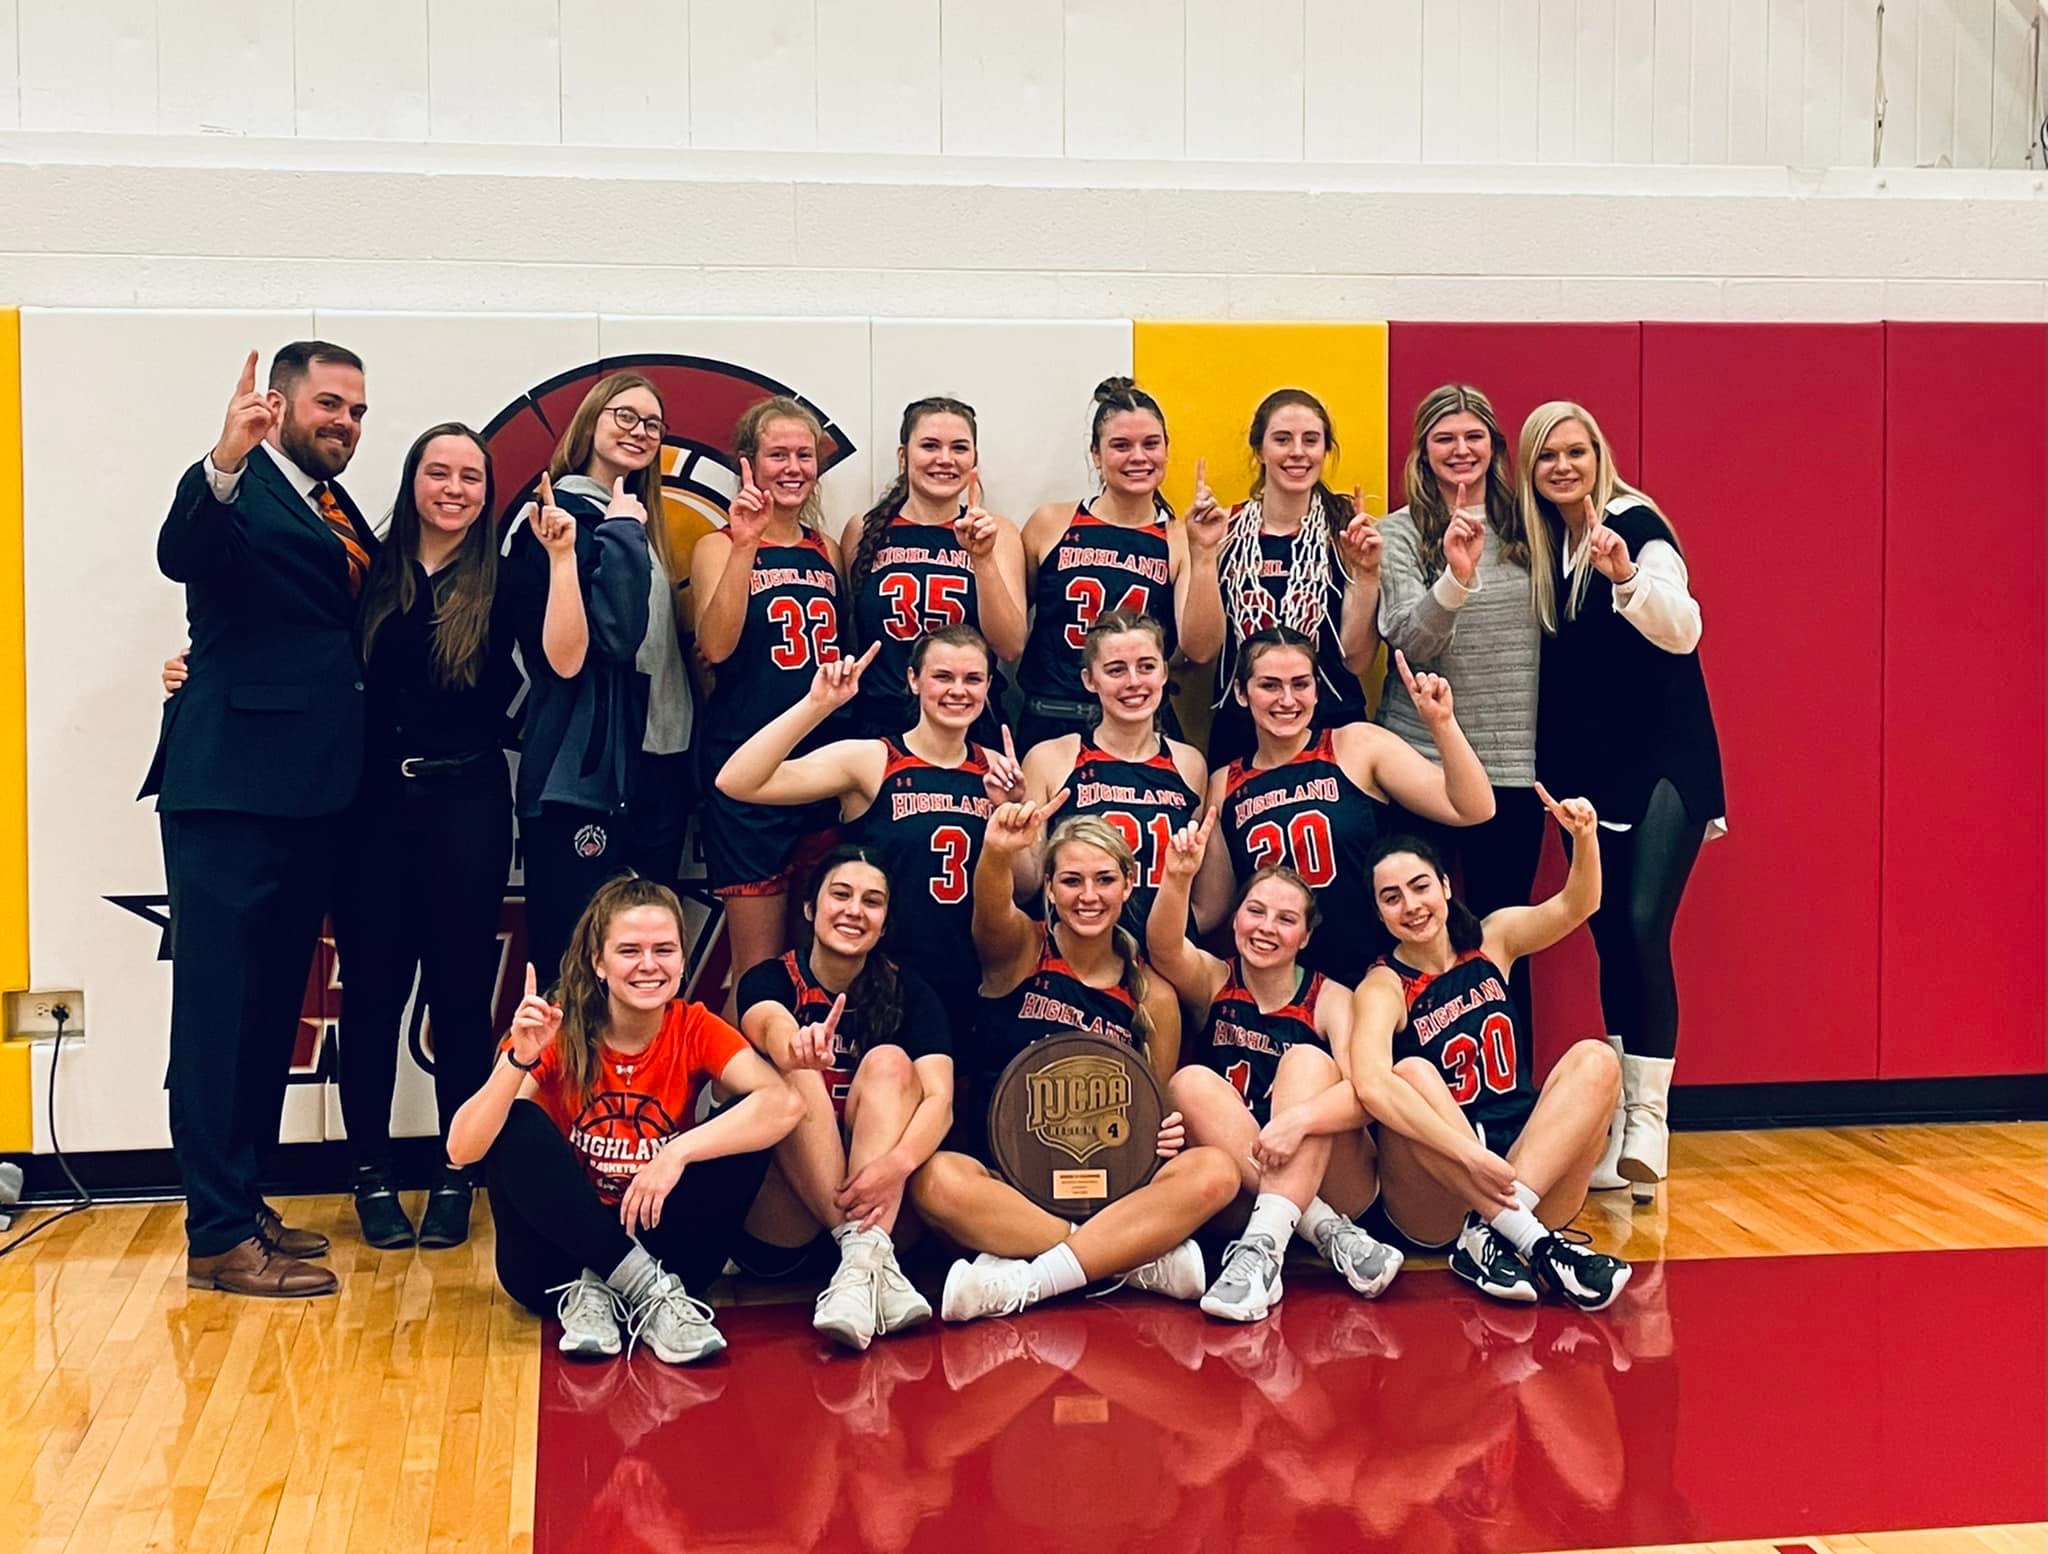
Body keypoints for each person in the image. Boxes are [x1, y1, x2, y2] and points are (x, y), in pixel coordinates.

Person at [144, 343, 376, 1297]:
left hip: (308, 793)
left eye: (359, 411)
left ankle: (242, 1203)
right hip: (232, 788)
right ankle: (216, 1236)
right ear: (277, 404)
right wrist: (225, 461)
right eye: (331, 404)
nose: (347, 423)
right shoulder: (238, 490)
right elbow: (183, 555)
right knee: (216, 1017)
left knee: (267, 1014)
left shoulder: (331, 505)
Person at [337, 426, 561, 1248]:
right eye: (439, 471)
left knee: (462, 1003)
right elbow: (292, 648)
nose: (455, 488)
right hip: (369, 814)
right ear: (413, 480)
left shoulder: (502, 580)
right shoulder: (365, 567)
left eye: (472, 476)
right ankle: (368, 1175)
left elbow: (566, 662)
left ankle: (458, 1175)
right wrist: (195, 665)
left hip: (464, 801)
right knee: (370, 997)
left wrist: (564, 556)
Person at [446, 875, 803, 1364]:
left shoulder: (693, 1026)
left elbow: (785, 1105)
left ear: (682, 961)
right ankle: (634, 1288)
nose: (649, 965)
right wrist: (518, 1062)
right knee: (514, 1120)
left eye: (664, 950)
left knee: (749, 1120)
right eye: (630, 951)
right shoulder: (559, 1024)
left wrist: (679, 1151)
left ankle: (615, 1285)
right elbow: (461, 1150)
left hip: (664, 1246)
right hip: (555, 1266)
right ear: (598, 962)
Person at [910, 799, 1241, 1324]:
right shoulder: (1022, 950)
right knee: (936, 1179)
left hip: (1114, 1192)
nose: (1089, 896)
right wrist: (996, 852)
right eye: (1071, 881)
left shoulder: (1152, 995)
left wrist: (1165, 1136)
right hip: (1010, 1186)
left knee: (1215, 1171)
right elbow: (991, 909)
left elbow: (1149, 1115)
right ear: (1048, 889)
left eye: (1105, 879)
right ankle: (1126, 1260)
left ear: (1129, 885)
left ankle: (1033, 1279)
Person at [1520, 400, 1725, 1203]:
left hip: (1667, 761)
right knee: (1609, 933)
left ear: (1598, 454)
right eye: (1548, 457)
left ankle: (1650, 1120)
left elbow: (1684, 629)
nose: (1564, 466)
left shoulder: (1634, 526)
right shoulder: (1547, 547)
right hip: (1590, 775)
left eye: (1576, 451)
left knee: (1643, 923)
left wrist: (1627, 577)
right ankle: (1614, 1129)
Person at [1347, 800, 1632, 1311]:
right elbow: (1370, 1084)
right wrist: (1469, 1156)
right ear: (1378, 913)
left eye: (1420, 886)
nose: (1411, 905)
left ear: (1445, 886)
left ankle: (1497, 1234)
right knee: (1408, 1072)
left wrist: (1585, 838)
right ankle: (1528, 1240)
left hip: (1525, 1171)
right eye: (1391, 898)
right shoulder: (1383, 986)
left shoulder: (1492, 939)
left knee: (1598, 1058)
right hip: (1442, 1189)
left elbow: (1577, 905)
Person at [1147, 808, 1403, 1321]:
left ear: (1306, 937)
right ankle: (1322, 1235)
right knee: (1190, 1081)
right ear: (1236, 918)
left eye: (1286, 920)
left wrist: (1297, 1121)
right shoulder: (1217, 981)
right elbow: (1165, 947)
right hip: (1246, 1184)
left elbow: (1368, 1096)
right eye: (1256, 912)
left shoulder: (1332, 998)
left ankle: (1266, 1250)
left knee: (1306, 1060)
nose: (1267, 929)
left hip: (1336, 1177)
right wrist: (1177, 877)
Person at [1377, 384, 1553, 1086]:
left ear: (1496, 447)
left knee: (1503, 940)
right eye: (1444, 438)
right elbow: (1407, 642)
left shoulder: (1532, 529)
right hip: (1421, 767)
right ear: (1423, 449)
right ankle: (1418, 1095)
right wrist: (1454, 576)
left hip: (1511, 767)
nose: (1460, 450)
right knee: (1417, 937)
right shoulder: (1399, 532)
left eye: (1473, 437)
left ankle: (1508, 1100)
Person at [713, 626, 1016, 1026]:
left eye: (972, 679)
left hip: (963, 974)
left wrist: (1010, 814)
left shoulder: (997, 767)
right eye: (942, 676)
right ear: (913, 679)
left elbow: (1027, 886)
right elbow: (737, 780)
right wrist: (816, 705)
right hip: (877, 977)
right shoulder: (873, 759)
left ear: (989, 685)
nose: (957, 690)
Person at [504, 370, 693, 983]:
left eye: (653, 423)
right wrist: (619, 533)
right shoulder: (557, 515)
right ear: (589, 420)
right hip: (583, 774)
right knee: (574, 967)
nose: (639, 431)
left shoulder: (635, 518)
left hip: (655, 765)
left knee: (644, 971)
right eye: (625, 415)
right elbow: (611, 636)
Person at [735, 846, 956, 1350]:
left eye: (872, 901)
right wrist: (793, 1044)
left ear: (884, 923)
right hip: (783, 1225)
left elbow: (939, 1102)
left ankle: (860, 1262)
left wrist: (898, 1163)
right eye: (840, 894)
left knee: (891, 1063)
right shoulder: (770, 980)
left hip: (881, 1204)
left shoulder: (912, 994)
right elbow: (766, 1022)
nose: (855, 909)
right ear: (810, 908)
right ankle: (861, 1253)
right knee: (789, 1072)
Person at [1194, 627, 1495, 986]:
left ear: (1317, 689)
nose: (1287, 699)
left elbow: (1474, 808)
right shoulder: (1224, 783)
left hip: (1378, 974)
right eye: (1270, 685)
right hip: (1287, 985)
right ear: (1242, 693)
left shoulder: (1356, 744)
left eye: (1301, 684)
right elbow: (1213, 909)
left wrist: (1442, 724)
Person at [691, 397, 847, 995]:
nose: (792, 467)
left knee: (818, 967)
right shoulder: (717, 545)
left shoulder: (826, 549)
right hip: (745, 772)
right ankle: (743, 1092)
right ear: (748, 464)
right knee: (758, 975)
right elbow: (717, 646)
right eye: (777, 454)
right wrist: (745, 545)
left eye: (803, 455)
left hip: (818, 771)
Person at [1014, 378, 1226, 748]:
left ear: (1166, 450)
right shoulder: (1051, 523)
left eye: (1150, 444)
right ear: (1096, 454)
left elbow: (1201, 650)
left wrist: (1204, 555)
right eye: (1121, 446)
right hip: (1053, 716)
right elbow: (1010, 634)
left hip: (1139, 722)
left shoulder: (1179, 538)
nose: (1138, 457)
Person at [1209, 388, 1384, 766]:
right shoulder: (1224, 532)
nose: (1298, 452)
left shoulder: (1346, 532)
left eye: (1311, 440)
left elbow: (1356, 660)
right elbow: (1199, 650)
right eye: (1282, 439)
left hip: (1331, 724)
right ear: (1259, 450)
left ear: (1325, 450)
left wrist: (1366, 576)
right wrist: (1200, 555)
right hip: (1243, 728)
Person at [843, 396, 1028, 741]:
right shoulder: (863, 530)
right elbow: (854, 634)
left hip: (967, 725)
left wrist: (983, 559)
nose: (945, 459)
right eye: (930, 445)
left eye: (959, 448)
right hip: (880, 724)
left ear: (974, 459)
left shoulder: (997, 533)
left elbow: (1009, 646)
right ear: (903, 456)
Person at [1015, 609, 1206, 938]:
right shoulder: (1049, 759)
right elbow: (1025, 888)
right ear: (1090, 679)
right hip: (1075, 957)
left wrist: (1172, 941)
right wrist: (1011, 833)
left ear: (1164, 672)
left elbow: (1209, 900)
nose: (1133, 681)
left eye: (1146, 666)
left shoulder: (1190, 764)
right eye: (1116, 669)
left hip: (1164, 960)